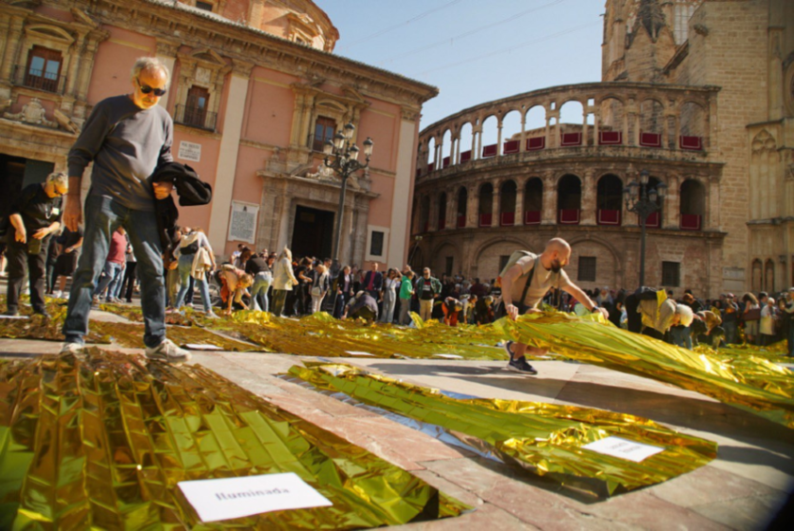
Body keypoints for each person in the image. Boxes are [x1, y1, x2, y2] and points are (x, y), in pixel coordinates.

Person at [61, 57, 191, 362]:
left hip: (145, 206)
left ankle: (156, 340)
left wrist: (168, 183)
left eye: (160, 91)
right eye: (148, 89)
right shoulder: (109, 109)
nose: (152, 96)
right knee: (90, 267)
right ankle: (74, 337)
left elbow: (164, 157)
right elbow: (79, 154)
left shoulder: (163, 119)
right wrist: (72, 199)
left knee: (154, 270)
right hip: (107, 197)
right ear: (134, 82)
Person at [500, 239, 609, 375]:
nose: (567, 263)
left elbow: (575, 291)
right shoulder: (530, 261)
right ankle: (516, 360)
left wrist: (595, 308)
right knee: (535, 314)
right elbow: (508, 277)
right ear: (555, 254)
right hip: (508, 309)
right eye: (566, 258)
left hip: (527, 313)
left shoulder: (555, 274)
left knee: (542, 350)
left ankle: (512, 347)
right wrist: (508, 303)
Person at [4, 171, 67, 317]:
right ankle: (12, 307)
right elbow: (13, 210)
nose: (58, 195)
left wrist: (48, 230)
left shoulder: (59, 199)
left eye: (61, 193)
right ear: (50, 183)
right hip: (20, 236)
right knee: (18, 271)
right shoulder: (33, 190)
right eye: (57, 191)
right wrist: (20, 228)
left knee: (39, 272)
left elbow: (58, 222)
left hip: (41, 240)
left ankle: (39, 307)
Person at [173, 227, 217, 317]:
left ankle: (175, 308)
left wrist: (181, 259)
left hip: (182, 261)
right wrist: (213, 263)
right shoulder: (200, 234)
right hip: (194, 260)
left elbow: (175, 253)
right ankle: (208, 311)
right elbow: (209, 249)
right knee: (203, 285)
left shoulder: (185, 237)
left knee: (184, 285)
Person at [625, 287, 694, 342]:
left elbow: (665, 332)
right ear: (679, 315)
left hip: (638, 308)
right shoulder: (670, 310)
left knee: (644, 337)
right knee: (634, 335)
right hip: (634, 304)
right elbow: (659, 330)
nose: (676, 324)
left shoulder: (672, 312)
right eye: (679, 322)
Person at [94, 226, 128, 303]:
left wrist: (123, 261)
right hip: (110, 260)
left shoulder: (125, 236)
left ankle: (110, 296)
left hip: (120, 261)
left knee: (116, 279)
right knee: (110, 276)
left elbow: (123, 250)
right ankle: (96, 293)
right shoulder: (113, 233)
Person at [51, 226, 83, 299]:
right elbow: (61, 239)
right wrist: (60, 250)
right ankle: (60, 291)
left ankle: (70, 292)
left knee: (72, 273)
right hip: (64, 252)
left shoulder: (79, 228)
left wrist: (72, 248)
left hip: (74, 253)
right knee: (62, 273)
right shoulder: (66, 228)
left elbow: (82, 240)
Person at [271, 247, 298, 317]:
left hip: (277, 281)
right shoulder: (286, 260)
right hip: (283, 283)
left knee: (275, 298)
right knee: (281, 299)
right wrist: (294, 279)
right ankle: (278, 313)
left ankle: (273, 312)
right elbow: (289, 271)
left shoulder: (278, 260)